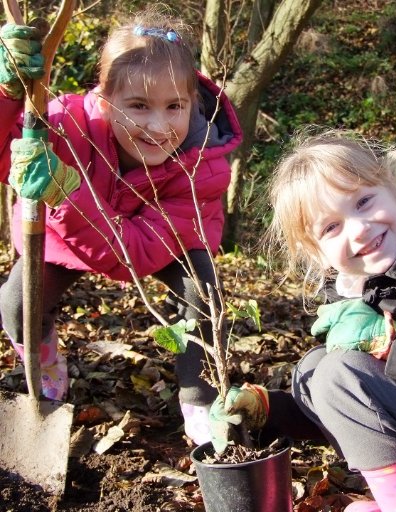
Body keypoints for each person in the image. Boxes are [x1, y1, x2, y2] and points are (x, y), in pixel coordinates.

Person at [209, 128, 396, 512]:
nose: (359, 228)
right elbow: (365, 409)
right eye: (331, 227)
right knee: (314, 371)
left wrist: (393, 345)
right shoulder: (360, 285)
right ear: (316, 252)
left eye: (365, 201)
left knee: (339, 372)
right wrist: (271, 410)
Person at [0, 8, 242, 445]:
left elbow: (132, 259)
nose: (158, 125)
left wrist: (66, 194)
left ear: (193, 102)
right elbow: (4, 150)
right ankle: (46, 370)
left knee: (201, 292)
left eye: (175, 106)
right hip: (63, 238)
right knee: (18, 303)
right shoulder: (65, 123)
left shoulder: (202, 169)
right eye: (138, 106)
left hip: (148, 244)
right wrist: (7, 94)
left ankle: (201, 400)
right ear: (105, 97)